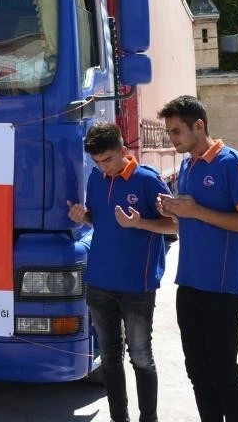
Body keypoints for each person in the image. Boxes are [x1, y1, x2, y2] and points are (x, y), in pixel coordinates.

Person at [157, 95, 238, 422]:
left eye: (176, 131)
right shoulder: (187, 164)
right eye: (169, 132)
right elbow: (191, 220)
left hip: (223, 288)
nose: (172, 139)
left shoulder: (232, 163)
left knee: (224, 373)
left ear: (199, 126)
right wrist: (173, 211)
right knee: (197, 372)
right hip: (189, 284)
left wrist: (195, 211)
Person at [68, 121, 174, 422]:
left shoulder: (148, 180)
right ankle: (119, 418)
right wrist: (83, 216)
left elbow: (176, 224)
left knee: (140, 357)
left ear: (123, 150)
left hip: (137, 286)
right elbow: (99, 219)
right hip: (99, 284)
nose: (104, 167)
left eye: (108, 159)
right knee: (110, 358)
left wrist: (139, 223)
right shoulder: (97, 178)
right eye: (97, 162)